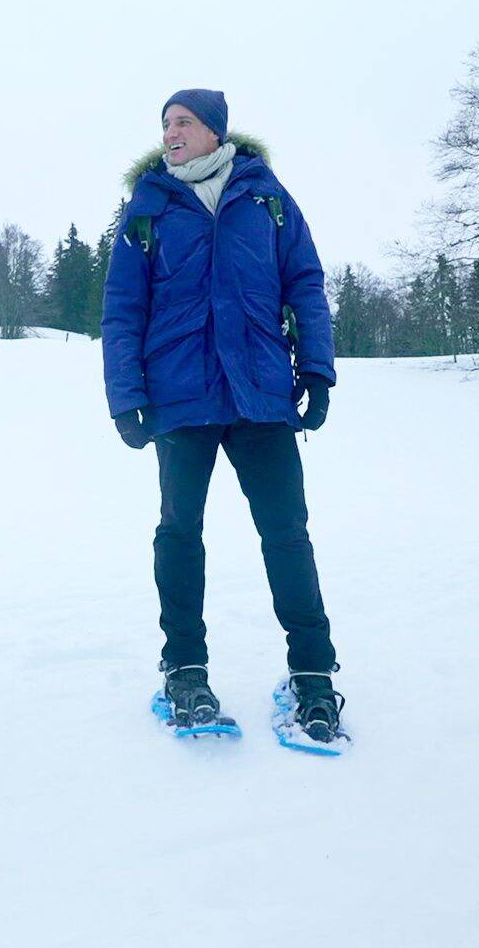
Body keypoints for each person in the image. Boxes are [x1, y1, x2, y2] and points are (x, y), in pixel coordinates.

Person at [100, 88, 347, 747]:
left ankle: (313, 674)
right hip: (179, 398)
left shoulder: (266, 198)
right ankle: (184, 671)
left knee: (287, 534)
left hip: (261, 395)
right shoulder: (148, 209)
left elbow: (306, 284)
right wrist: (125, 395)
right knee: (180, 531)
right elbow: (122, 310)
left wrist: (317, 372)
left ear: (215, 132)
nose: (170, 134)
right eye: (164, 125)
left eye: (183, 122)